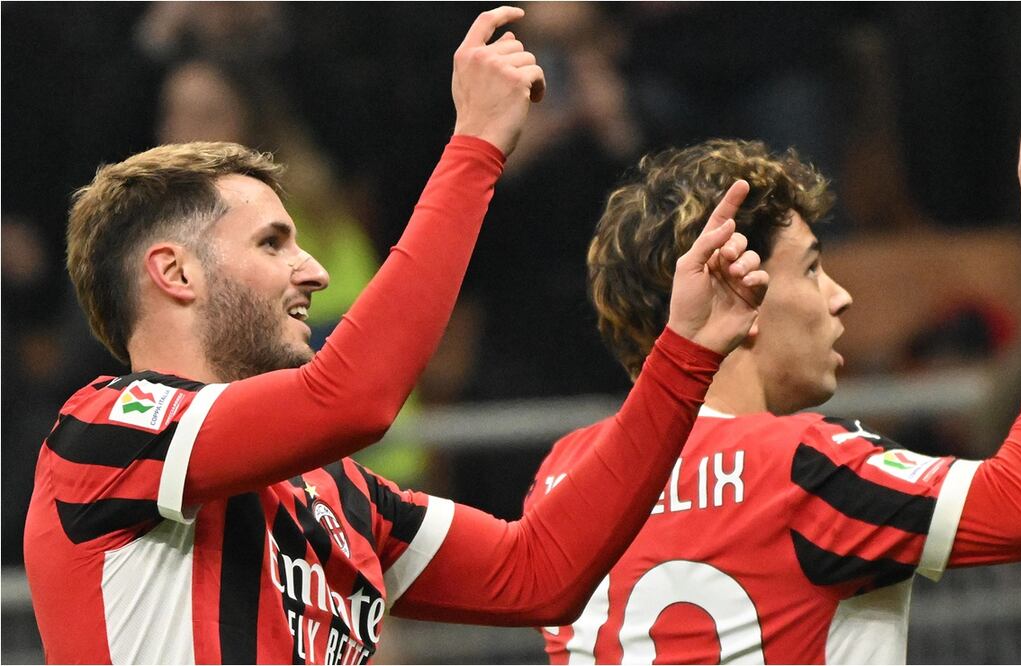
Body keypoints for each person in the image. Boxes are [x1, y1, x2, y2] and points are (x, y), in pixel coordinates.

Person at [22, 8, 772, 664]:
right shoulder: (103, 435)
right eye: (273, 243)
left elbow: (541, 571)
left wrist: (684, 352)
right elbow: (353, 400)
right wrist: (475, 146)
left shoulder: (337, 492)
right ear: (174, 272)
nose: (313, 270)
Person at [526, 130, 1021, 664]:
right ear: (742, 294)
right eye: (812, 268)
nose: (840, 296)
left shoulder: (562, 477)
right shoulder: (801, 465)